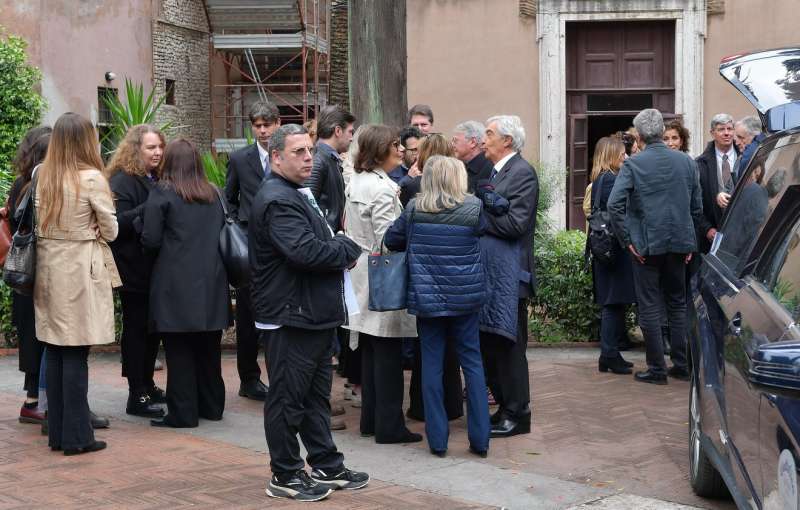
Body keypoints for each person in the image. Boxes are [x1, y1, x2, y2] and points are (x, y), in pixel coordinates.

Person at [249, 124, 369, 501]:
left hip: (312, 313)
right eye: (298, 152)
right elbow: (307, 251)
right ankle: (284, 474)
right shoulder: (277, 198)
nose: (307, 158)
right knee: (287, 398)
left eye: (310, 151)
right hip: (291, 315)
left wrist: (335, 245)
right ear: (276, 157)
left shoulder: (295, 192)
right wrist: (348, 249)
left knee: (316, 397)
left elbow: (319, 242)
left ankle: (326, 463)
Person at [384, 155, 491, 458]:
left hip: (428, 297)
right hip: (466, 297)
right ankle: (481, 440)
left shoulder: (415, 208)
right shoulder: (474, 208)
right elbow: (483, 232)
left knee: (431, 365)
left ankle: (438, 440)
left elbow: (392, 239)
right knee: (472, 363)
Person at [34, 112, 120, 455]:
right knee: (76, 351)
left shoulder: (43, 175)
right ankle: (77, 437)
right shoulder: (92, 178)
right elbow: (111, 230)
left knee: (54, 348)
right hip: (80, 268)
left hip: (49, 265)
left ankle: (57, 433)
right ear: (87, 140)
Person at [607, 108, 704, 385]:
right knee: (677, 303)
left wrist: (628, 240)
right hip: (678, 243)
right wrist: (689, 240)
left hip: (646, 246)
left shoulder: (634, 164)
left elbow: (615, 205)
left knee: (649, 306)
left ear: (639, 135)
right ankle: (682, 365)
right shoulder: (686, 162)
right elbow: (696, 208)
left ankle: (657, 369)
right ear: (662, 132)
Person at [142, 139, 232, 428]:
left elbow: (151, 239)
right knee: (209, 348)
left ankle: (183, 413)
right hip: (212, 281)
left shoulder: (163, 193)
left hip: (175, 283)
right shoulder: (214, 193)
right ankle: (212, 405)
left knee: (179, 350)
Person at [343, 124, 420, 444]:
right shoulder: (383, 188)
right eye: (394, 145)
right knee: (386, 352)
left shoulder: (358, 182)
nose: (400, 150)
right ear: (379, 151)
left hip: (361, 271)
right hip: (383, 273)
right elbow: (389, 239)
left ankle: (371, 420)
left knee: (373, 349)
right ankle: (389, 425)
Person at [477, 115, 538, 438]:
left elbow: (515, 224)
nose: (483, 138)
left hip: (511, 276)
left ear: (507, 141)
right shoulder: (498, 171)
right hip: (493, 276)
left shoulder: (522, 173)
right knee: (493, 346)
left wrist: (480, 218)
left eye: (489, 134)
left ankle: (518, 413)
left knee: (511, 347)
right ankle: (504, 407)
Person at [106, 124, 166, 418]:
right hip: (132, 270)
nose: (157, 152)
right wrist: (150, 207)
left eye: (159, 147)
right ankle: (136, 393)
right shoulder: (122, 180)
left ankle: (148, 383)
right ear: (135, 150)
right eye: (150, 147)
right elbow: (116, 225)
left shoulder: (154, 177)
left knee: (151, 330)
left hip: (153, 269)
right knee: (136, 331)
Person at [225, 101, 280, 401]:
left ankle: (280, 376)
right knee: (247, 316)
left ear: (276, 123)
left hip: (281, 243)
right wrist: (237, 224)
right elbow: (228, 197)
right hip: (250, 247)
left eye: (266, 124)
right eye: (257, 125)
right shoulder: (239, 158)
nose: (262, 130)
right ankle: (249, 379)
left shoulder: (286, 155)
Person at [8, 126, 51, 426]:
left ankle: (33, 399)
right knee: (41, 336)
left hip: (22, 274)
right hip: (37, 272)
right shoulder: (39, 185)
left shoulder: (18, 185)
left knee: (30, 336)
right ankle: (34, 402)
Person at [588, 137, 635, 374]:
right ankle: (608, 353)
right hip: (613, 248)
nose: (625, 158)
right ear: (611, 155)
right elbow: (619, 212)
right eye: (621, 154)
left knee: (613, 301)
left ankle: (610, 353)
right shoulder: (610, 180)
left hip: (603, 248)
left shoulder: (600, 179)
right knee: (613, 303)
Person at [306, 105, 355, 232]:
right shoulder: (318, 161)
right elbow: (308, 207)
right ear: (338, 131)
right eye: (350, 132)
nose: (352, 138)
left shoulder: (329, 158)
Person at [695, 113, 739, 253]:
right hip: (712, 236)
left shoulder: (747, 158)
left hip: (742, 233)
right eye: (721, 129)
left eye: (730, 129)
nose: (727, 133)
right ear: (712, 133)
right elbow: (695, 202)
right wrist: (706, 229)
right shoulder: (700, 164)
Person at [399, 133, 454, 207]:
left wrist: (407, 180)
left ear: (425, 155)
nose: (416, 157)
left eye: (418, 152)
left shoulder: (413, 184)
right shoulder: (460, 179)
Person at [728, 115, 766, 200]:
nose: (737, 143)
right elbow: (731, 184)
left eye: (741, 138)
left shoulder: (752, 155)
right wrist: (722, 194)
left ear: (754, 137)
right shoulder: (741, 157)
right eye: (736, 138)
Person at [452, 120, 494, 193]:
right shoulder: (460, 166)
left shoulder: (490, 169)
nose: (452, 145)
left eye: (455, 141)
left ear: (473, 142)